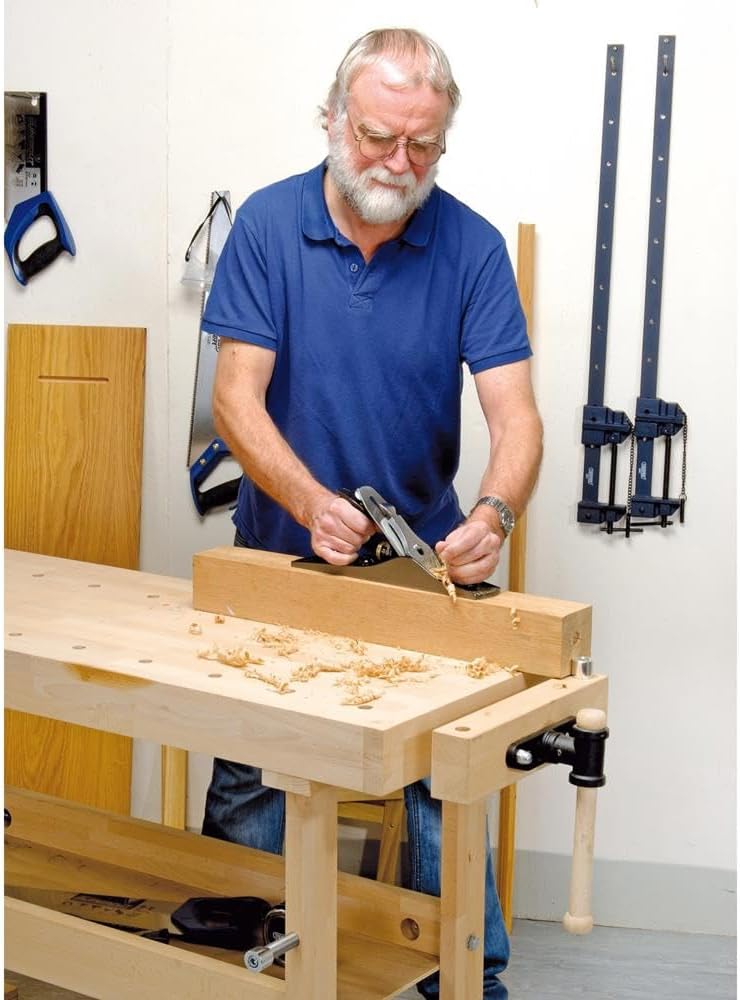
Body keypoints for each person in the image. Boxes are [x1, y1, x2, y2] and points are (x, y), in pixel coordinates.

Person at [200, 27, 543, 999]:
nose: (397, 162)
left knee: (447, 774)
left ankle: (466, 976)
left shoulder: (470, 246)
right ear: (331, 119)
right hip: (279, 557)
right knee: (253, 772)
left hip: (419, 569)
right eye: (377, 137)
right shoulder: (267, 225)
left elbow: (516, 418)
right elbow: (235, 397)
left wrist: (494, 515)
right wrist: (310, 502)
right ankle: (241, 967)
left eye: (421, 145)